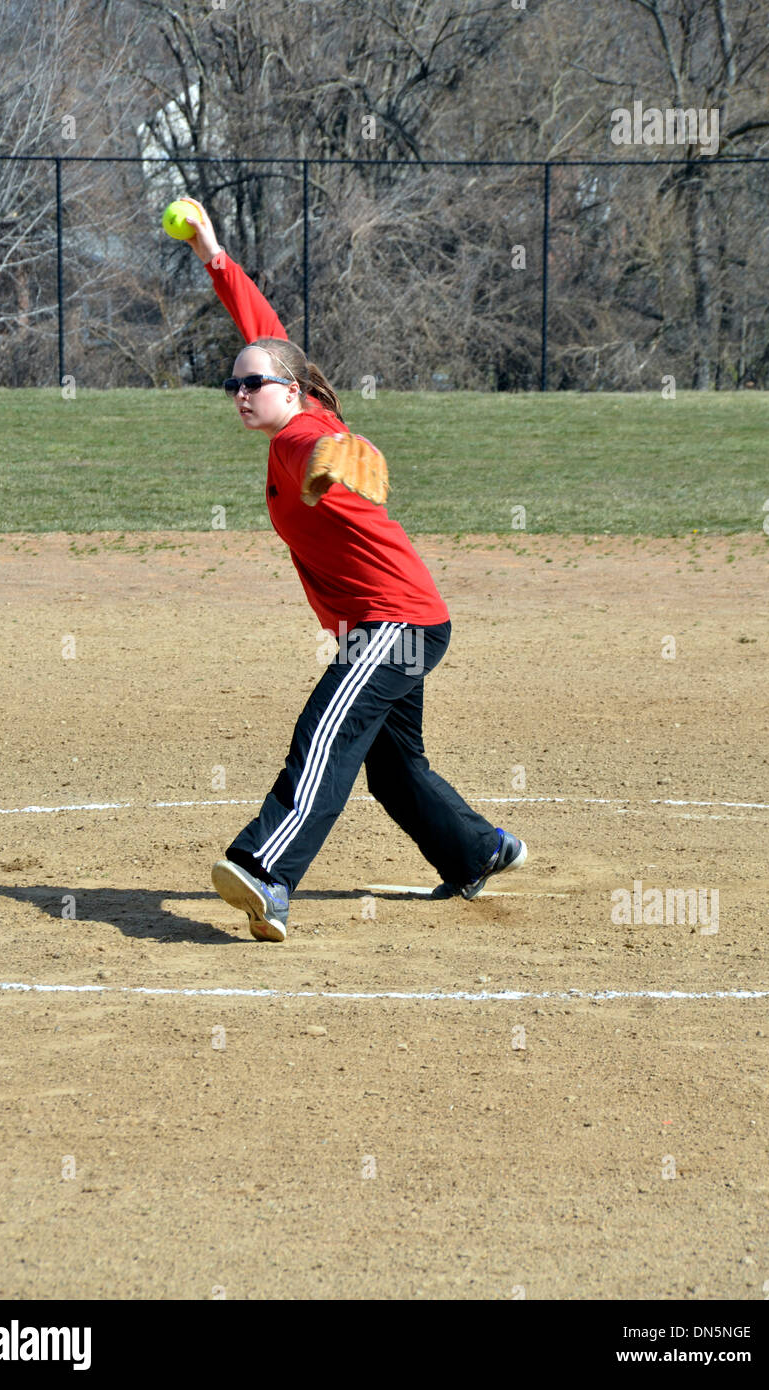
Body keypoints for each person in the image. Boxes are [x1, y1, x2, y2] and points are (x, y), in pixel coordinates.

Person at [182, 202, 527, 942]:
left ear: (292, 391)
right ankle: (478, 850)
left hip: (395, 618)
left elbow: (324, 438)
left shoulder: (306, 431)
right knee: (394, 769)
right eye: (232, 385)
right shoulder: (282, 402)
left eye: (252, 385)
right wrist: (212, 250)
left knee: (326, 732)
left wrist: (334, 453)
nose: (240, 393)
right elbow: (259, 325)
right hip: (393, 620)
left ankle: (267, 871)